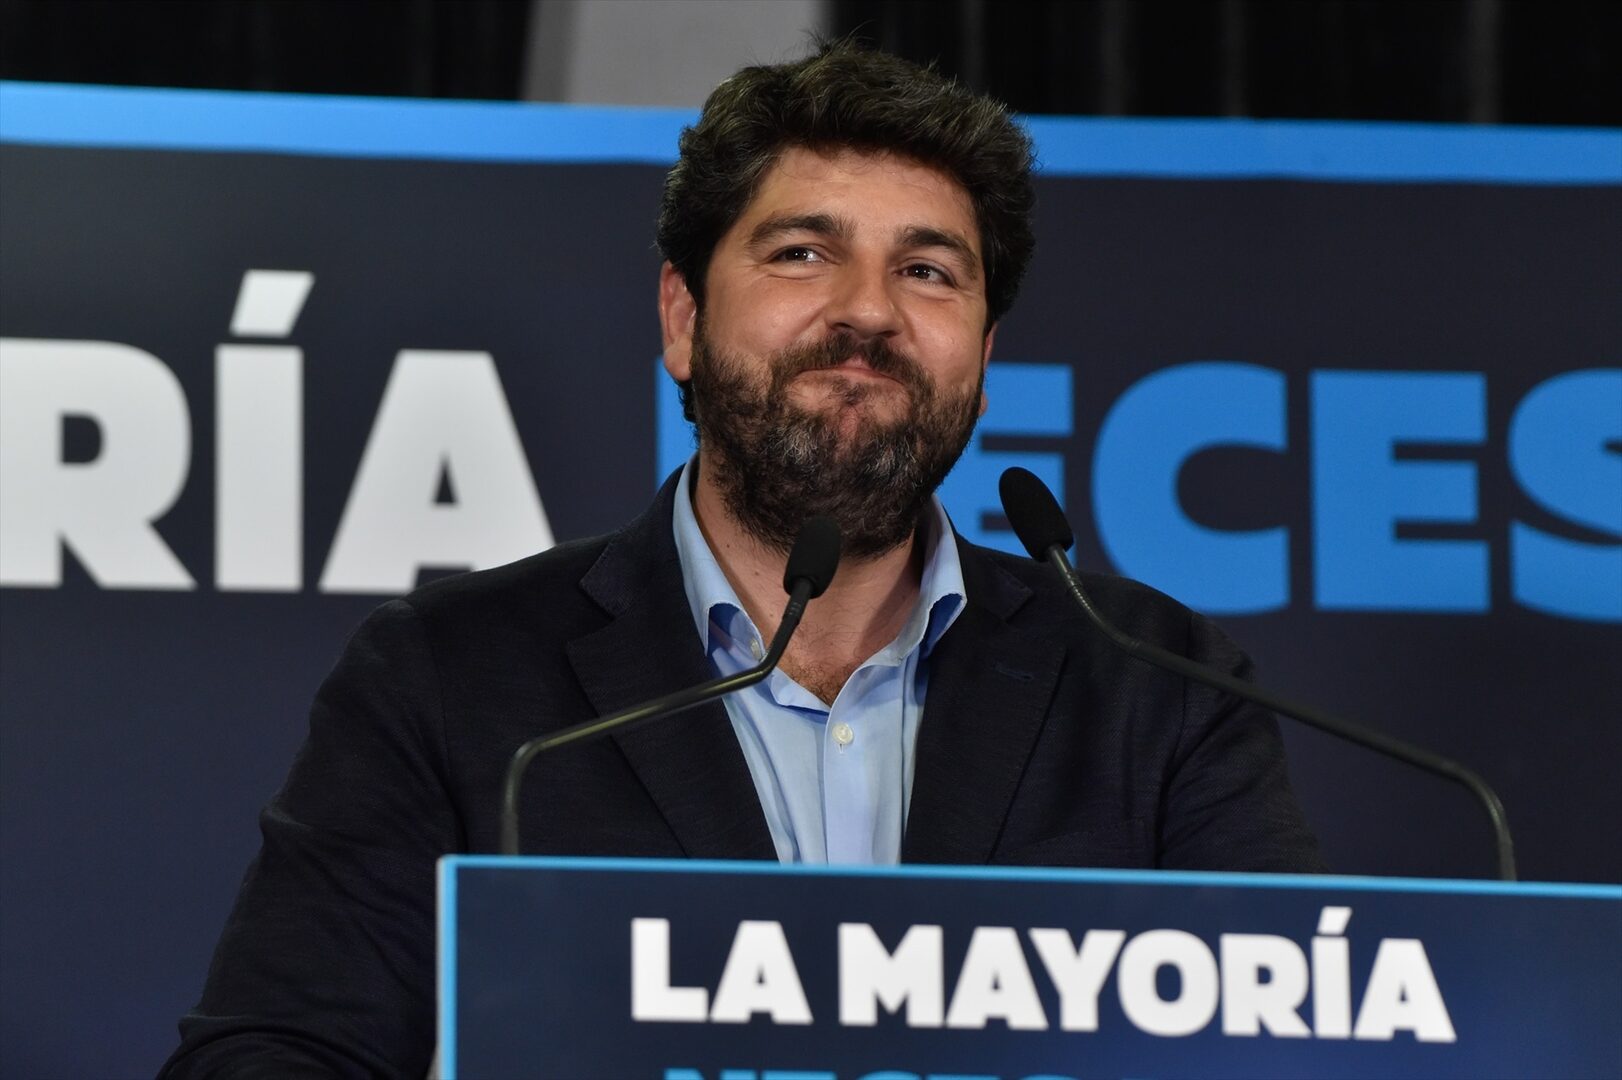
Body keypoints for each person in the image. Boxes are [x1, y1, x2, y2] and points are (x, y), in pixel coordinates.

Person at [160, 42, 1321, 1078]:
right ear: (682, 318)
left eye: (927, 271)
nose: (868, 312)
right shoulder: (451, 680)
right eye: (802, 253)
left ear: (980, 355)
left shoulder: (1157, 688)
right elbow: (273, 1052)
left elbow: (1297, 1050)